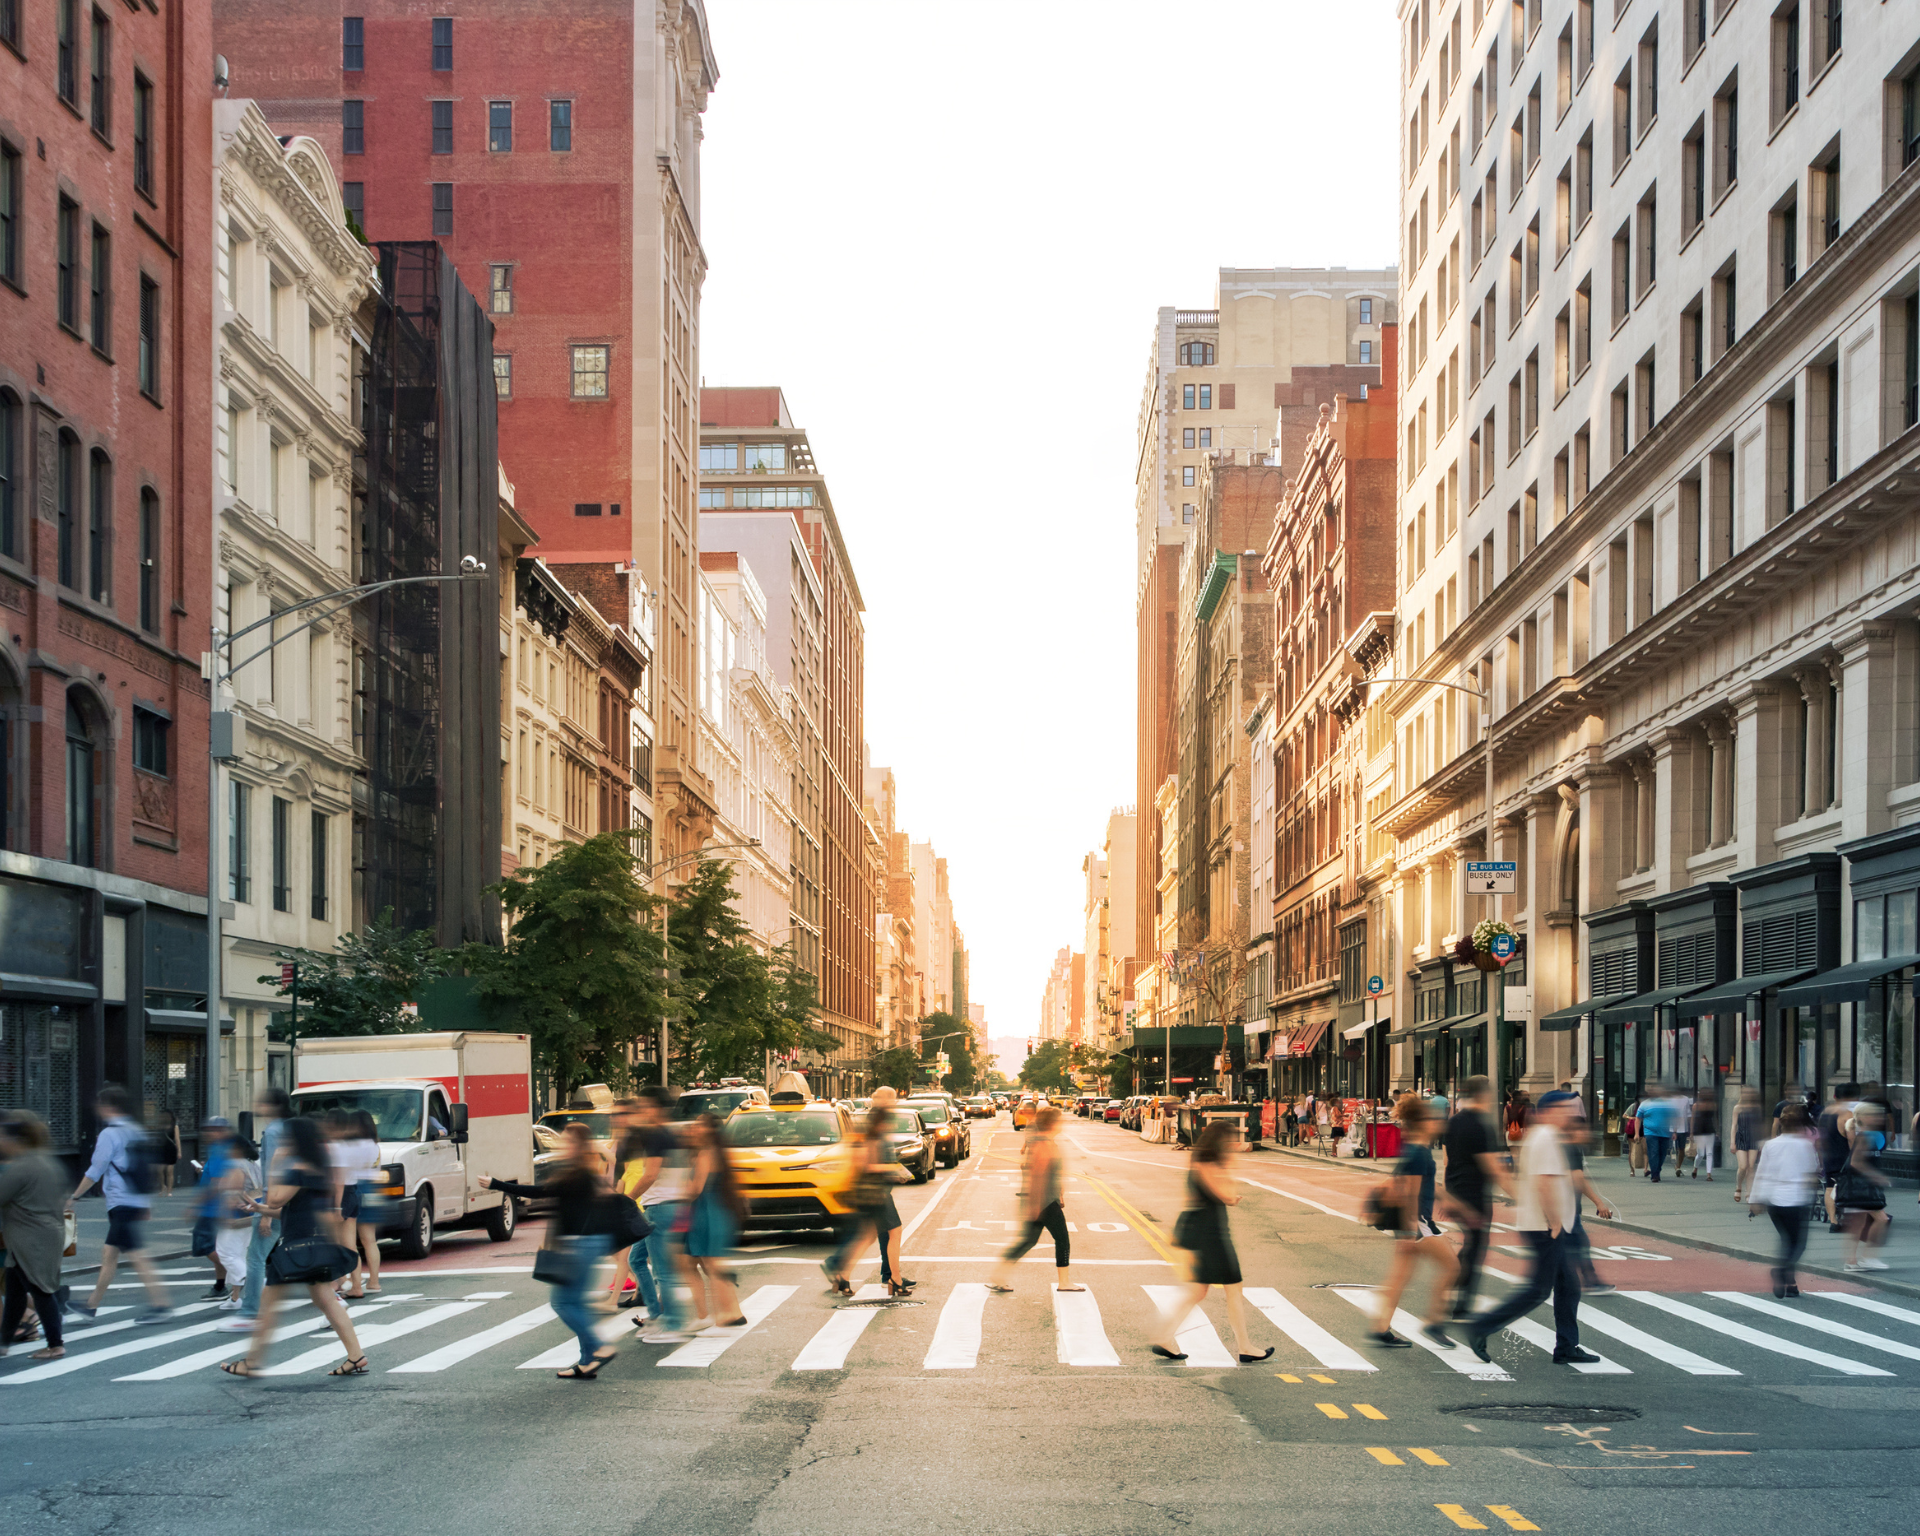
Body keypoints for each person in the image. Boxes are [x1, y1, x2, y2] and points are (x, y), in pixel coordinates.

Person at [220, 1115, 367, 1378]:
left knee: (268, 1305)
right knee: (327, 1302)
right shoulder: (315, 1167)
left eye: (286, 1137)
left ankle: (253, 1362)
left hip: (296, 1249)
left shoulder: (298, 1168)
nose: (282, 1141)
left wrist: (275, 1164)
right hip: (312, 1245)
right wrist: (259, 1208)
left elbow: (276, 1199)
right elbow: (292, 1211)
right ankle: (356, 1356)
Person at [1464, 1091, 1599, 1367]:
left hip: (1545, 1224)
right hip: (1545, 1226)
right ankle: (1482, 1326)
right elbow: (1544, 1182)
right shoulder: (1546, 1138)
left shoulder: (1546, 1137)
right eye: (1562, 1108)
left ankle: (1567, 1346)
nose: (1568, 1114)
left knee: (1569, 1286)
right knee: (1538, 1290)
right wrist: (1555, 1220)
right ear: (1548, 1111)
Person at [481, 1123, 617, 1379]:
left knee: (562, 1302)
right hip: (588, 1243)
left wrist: (496, 1184)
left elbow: (539, 1192)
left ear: (576, 1145)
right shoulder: (583, 1171)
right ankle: (587, 1362)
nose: (561, 1145)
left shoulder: (577, 1173)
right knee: (576, 1303)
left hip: (581, 1245)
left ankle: (600, 1345)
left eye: (566, 1141)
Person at [1145, 1122, 1271, 1362]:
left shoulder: (1199, 1162)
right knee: (1233, 1288)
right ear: (1219, 1142)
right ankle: (1245, 1346)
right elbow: (1225, 1195)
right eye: (1229, 1140)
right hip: (1211, 1234)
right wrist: (1231, 1177)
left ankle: (1164, 1336)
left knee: (1198, 1290)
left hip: (1206, 1231)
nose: (1231, 1144)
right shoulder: (1209, 1164)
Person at [66, 1086, 170, 1323]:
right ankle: (91, 1304)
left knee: (137, 1255)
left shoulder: (109, 1135)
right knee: (110, 1253)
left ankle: (161, 1304)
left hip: (121, 1201)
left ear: (109, 1107)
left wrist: (74, 1197)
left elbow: (95, 1171)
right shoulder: (137, 1130)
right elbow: (146, 1171)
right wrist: (145, 1204)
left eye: (101, 1106)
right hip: (133, 1200)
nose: (99, 1111)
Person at [1369, 1097, 1457, 1350]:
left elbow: (1427, 1185)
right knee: (1452, 1266)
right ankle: (1434, 1321)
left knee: (1399, 1277)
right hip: (1417, 1223)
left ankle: (1380, 1327)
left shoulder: (1417, 1149)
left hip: (1413, 1224)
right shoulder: (1418, 1152)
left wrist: (1453, 1203)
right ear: (1422, 1122)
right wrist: (1409, 1232)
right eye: (1433, 1119)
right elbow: (1410, 1193)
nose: (1437, 1123)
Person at [987, 1106, 1085, 1299]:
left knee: (1028, 1241)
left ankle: (998, 1276)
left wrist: (1058, 1194)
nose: (1062, 1124)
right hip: (1044, 1202)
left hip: (1045, 1200)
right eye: (1059, 1121)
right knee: (1062, 1239)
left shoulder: (1046, 1141)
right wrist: (1035, 1205)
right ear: (1052, 1123)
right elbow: (1037, 1175)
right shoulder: (1043, 1144)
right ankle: (1064, 1283)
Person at [1440, 1076, 1514, 1321]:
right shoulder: (1480, 1125)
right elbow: (1492, 1168)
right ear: (1483, 1095)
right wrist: (1521, 1196)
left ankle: (1449, 1289)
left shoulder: (1454, 1122)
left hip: (1456, 1190)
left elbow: (1447, 1161)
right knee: (1476, 1248)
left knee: (1471, 1245)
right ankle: (1460, 1304)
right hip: (1473, 1195)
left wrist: (1447, 1194)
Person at [621, 1086, 690, 1340]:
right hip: (665, 1206)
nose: (640, 1111)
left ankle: (672, 1322)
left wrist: (628, 1198)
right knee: (636, 1260)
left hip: (660, 1207)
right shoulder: (670, 1133)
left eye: (643, 1105)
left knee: (663, 1271)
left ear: (655, 1108)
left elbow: (651, 1174)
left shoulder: (656, 1135)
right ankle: (658, 1315)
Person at [221, 1089, 292, 1333]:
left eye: (261, 1102)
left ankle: (250, 1311)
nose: (257, 1105)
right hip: (293, 1198)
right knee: (297, 1253)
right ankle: (335, 1299)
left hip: (277, 1199)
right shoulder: (291, 1127)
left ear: (273, 1106)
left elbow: (273, 1172)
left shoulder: (273, 1131)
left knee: (255, 1257)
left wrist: (266, 1211)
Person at [0, 1113, 70, 1360]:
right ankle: (3, 1343)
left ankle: (55, 1344)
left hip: (30, 1239)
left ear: (14, 1139)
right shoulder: (46, 1161)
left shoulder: (22, 1167)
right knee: (16, 1293)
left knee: (40, 1291)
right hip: (42, 1235)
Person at [828, 1105, 912, 1297]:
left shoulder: (866, 1136)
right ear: (881, 1122)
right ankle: (895, 1280)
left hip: (868, 1194)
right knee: (895, 1232)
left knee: (866, 1237)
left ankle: (843, 1276)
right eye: (888, 1122)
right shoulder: (873, 1139)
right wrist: (891, 1169)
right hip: (877, 1194)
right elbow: (868, 1165)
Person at [680, 1114, 747, 1331]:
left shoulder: (705, 1155)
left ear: (709, 1130)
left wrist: (676, 1192)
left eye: (699, 1125)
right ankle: (724, 1313)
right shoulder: (714, 1153)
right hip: (712, 1212)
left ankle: (729, 1313)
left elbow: (694, 1190)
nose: (695, 1128)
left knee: (711, 1265)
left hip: (705, 1214)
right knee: (698, 1264)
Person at [1749, 1101, 1819, 1296]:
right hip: (1796, 1199)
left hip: (1774, 1200)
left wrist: (1755, 1199)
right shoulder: (1805, 1145)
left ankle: (1790, 1284)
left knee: (1786, 1240)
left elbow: (1761, 1171)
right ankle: (1781, 1271)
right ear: (1800, 1124)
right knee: (1798, 1244)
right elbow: (1812, 1172)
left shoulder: (1770, 1145)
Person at [1564, 1109, 1617, 1293]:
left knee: (1575, 1245)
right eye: (1582, 1130)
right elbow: (1578, 1179)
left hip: (1566, 1208)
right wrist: (1599, 1203)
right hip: (1566, 1209)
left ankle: (1587, 1280)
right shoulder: (1570, 1149)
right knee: (1580, 1243)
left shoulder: (1568, 1148)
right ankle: (1589, 1281)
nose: (1586, 1134)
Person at [1836, 1100, 1892, 1272]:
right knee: (1881, 1219)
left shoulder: (1868, 1135)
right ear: (1863, 1117)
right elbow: (1856, 1162)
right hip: (1861, 1187)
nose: (1877, 1118)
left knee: (1857, 1225)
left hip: (1858, 1187)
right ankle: (1867, 1258)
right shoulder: (1865, 1136)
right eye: (1872, 1114)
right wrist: (1876, 1176)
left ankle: (1852, 1261)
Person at [336, 1110, 384, 1298]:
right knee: (370, 1240)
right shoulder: (375, 1145)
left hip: (355, 1188)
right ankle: (374, 1281)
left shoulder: (351, 1146)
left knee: (349, 1242)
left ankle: (354, 1282)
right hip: (373, 1190)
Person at [191, 1117, 237, 1300]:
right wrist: (204, 1171)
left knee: (204, 1245)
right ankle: (220, 1286)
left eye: (214, 1129)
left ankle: (238, 1274)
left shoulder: (219, 1150)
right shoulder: (224, 1149)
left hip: (213, 1209)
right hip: (219, 1208)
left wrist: (196, 1205)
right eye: (208, 1129)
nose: (209, 1133)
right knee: (218, 1247)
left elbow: (217, 1184)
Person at [1637, 1083, 1678, 1183]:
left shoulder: (1667, 1104)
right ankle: (1655, 1175)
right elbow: (1638, 1118)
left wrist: (1674, 1131)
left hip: (1665, 1132)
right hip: (1650, 1133)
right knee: (1654, 1152)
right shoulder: (1645, 1104)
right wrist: (1636, 1133)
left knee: (1662, 1153)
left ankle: (1657, 1170)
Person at [1731, 1086, 1764, 1204]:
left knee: (1751, 1166)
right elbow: (1734, 1125)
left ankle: (1749, 1192)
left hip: (1753, 1139)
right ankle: (1738, 1186)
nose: (1747, 1095)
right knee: (1743, 1166)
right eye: (1745, 1093)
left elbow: (1759, 1126)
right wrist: (1732, 1142)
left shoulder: (1757, 1108)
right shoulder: (1738, 1108)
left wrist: (1761, 1141)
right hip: (1741, 1138)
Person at [1688, 1090, 1717, 1179]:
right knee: (1701, 1154)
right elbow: (1692, 1119)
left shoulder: (1712, 1105)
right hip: (1699, 1132)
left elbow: (1715, 1118)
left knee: (1709, 1153)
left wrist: (1717, 1130)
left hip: (1709, 1130)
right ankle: (1695, 1168)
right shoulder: (1696, 1106)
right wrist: (1691, 1133)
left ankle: (1709, 1174)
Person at [153, 1108, 181, 1198]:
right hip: (162, 1150)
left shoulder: (175, 1127)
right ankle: (163, 1187)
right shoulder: (160, 1126)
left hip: (171, 1149)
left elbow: (177, 1139)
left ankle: (169, 1190)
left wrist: (179, 1151)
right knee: (159, 1170)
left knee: (169, 1171)